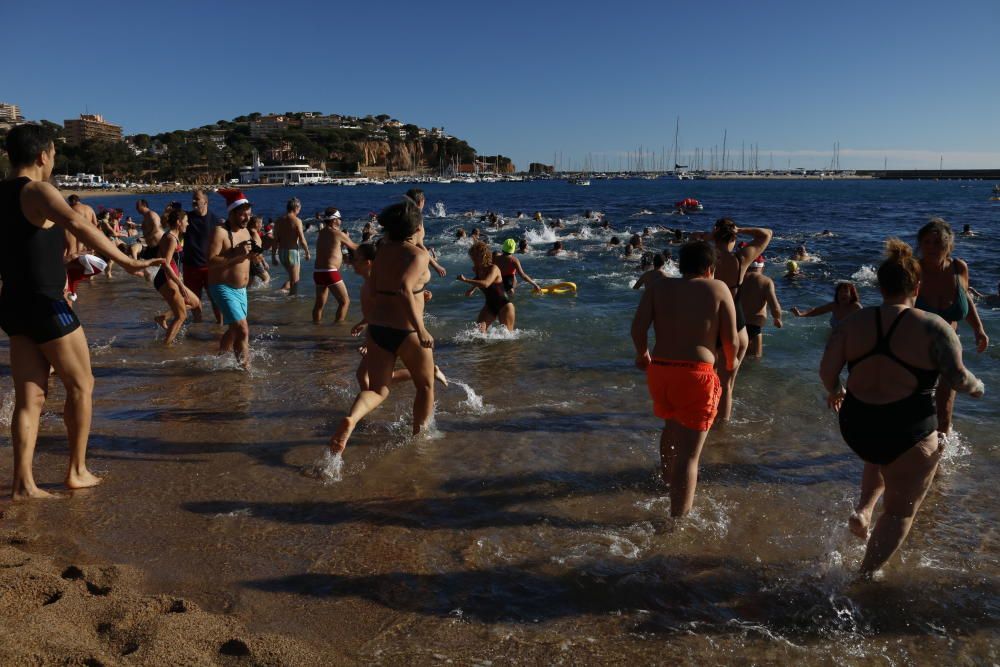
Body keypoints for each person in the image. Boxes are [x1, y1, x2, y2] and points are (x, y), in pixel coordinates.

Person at [0, 124, 162, 499]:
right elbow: (75, 222)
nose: (53, 161)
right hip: (46, 303)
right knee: (81, 385)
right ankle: (76, 470)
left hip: (13, 305)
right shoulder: (37, 190)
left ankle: (23, 483)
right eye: (54, 155)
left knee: (30, 397)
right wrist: (126, 261)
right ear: (43, 155)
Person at [819, 238, 984, 576]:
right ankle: (864, 576)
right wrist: (979, 388)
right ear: (917, 286)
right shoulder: (933, 326)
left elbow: (826, 371)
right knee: (899, 512)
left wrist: (836, 390)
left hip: (858, 426)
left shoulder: (853, 322)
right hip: (908, 430)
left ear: (879, 286)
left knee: (879, 456)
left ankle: (864, 512)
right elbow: (958, 379)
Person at [631, 241, 738, 517]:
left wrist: (643, 355)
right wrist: (730, 361)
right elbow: (731, 339)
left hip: (661, 370)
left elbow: (637, 328)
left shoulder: (658, 287)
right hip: (696, 374)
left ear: (680, 265)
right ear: (710, 268)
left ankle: (666, 479)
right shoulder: (717, 288)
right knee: (690, 456)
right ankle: (678, 520)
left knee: (670, 425)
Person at [330, 199, 436, 454]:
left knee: (378, 389)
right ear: (415, 228)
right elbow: (404, 288)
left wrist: (419, 294)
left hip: (378, 328)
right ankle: (420, 438)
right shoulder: (418, 255)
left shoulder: (384, 250)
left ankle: (352, 419)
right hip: (407, 330)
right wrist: (421, 328)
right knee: (425, 385)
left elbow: (377, 288)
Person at [913, 218, 989, 433]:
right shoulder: (913, 270)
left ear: (948, 245)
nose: (932, 247)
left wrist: (979, 330)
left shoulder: (958, 268)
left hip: (950, 347)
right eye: (927, 242)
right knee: (915, 407)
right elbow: (897, 307)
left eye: (938, 243)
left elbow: (965, 298)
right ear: (920, 244)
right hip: (915, 348)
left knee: (945, 411)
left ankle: (939, 460)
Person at [695, 218, 772, 422]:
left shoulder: (704, 258)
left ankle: (704, 421)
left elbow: (691, 240)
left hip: (708, 323)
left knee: (707, 380)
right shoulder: (741, 259)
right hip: (736, 322)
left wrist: (708, 237)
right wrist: (741, 229)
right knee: (727, 385)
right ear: (734, 236)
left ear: (715, 233)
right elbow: (767, 234)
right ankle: (722, 432)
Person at [349, 243, 447, 390]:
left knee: (367, 376)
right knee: (371, 376)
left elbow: (389, 309)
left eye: (355, 259)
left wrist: (369, 342)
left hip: (386, 334)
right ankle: (429, 371)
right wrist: (364, 323)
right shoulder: (377, 280)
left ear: (368, 262)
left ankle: (368, 405)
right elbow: (382, 309)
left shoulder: (375, 283)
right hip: (382, 333)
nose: (351, 262)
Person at [207, 189, 259, 369]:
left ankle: (220, 357)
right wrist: (236, 254)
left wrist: (253, 256)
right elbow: (211, 261)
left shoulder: (246, 232)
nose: (246, 218)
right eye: (243, 215)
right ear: (232, 213)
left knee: (233, 329)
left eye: (249, 214)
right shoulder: (219, 232)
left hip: (241, 290)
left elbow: (244, 257)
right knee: (242, 329)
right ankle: (245, 369)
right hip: (222, 286)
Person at [152, 208, 202, 344]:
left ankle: (163, 317)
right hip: (167, 278)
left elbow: (159, 257)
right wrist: (179, 283)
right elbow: (166, 264)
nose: (188, 224)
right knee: (181, 316)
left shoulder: (170, 236)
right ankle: (165, 346)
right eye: (186, 221)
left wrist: (178, 278)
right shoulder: (171, 238)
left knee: (195, 303)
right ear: (179, 222)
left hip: (170, 277)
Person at [458, 241, 516, 332]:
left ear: (483, 256)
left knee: (507, 339)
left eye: (474, 257)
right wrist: (472, 289)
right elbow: (478, 278)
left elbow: (486, 283)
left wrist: (466, 280)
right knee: (478, 332)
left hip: (504, 306)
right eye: (472, 257)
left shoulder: (494, 268)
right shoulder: (477, 269)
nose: (472, 259)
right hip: (490, 306)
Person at [184, 189, 223, 323]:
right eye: (193, 199)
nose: (194, 201)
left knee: (216, 301)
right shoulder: (186, 218)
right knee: (194, 302)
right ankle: (197, 330)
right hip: (191, 267)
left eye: (197, 199)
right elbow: (166, 224)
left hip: (210, 268)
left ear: (206, 201)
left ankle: (220, 330)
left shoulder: (215, 220)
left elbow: (223, 242)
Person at [312, 207, 357, 323]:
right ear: (334, 220)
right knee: (345, 302)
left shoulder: (322, 233)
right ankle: (337, 328)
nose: (341, 221)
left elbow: (331, 248)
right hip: (330, 272)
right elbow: (355, 247)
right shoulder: (338, 233)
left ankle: (316, 328)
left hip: (318, 272)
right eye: (339, 218)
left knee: (319, 303)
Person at [739, 257, 782, 357]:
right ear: (762, 268)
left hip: (737, 325)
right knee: (754, 360)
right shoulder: (766, 281)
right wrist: (777, 318)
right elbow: (774, 306)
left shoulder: (738, 278)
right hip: (754, 328)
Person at [405, 189, 447, 277]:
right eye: (424, 200)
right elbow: (418, 243)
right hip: (412, 259)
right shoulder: (416, 218)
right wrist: (436, 265)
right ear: (421, 201)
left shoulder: (404, 215)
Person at [274, 197, 311, 294]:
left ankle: (282, 291)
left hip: (282, 253)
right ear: (296, 208)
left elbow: (275, 240)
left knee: (293, 277)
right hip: (292, 253)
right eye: (300, 208)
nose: (300, 210)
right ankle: (292, 300)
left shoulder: (278, 221)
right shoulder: (297, 221)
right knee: (295, 281)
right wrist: (307, 252)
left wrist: (274, 256)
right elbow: (302, 239)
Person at [792, 281, 862, 330]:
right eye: (840, 291)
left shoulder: (855, 307)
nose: (842, 294)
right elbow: (816, 310)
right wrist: (801, 314)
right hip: (834, 336)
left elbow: (866, 322)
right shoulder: (834, 305)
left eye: (846, 291)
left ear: (852, 295)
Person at [247, 216, 271, 285]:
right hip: (256, 261)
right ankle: (264, 294)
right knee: (267, 278)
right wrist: (264, 262)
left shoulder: (248, 232)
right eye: (261, 223)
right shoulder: (255, 234)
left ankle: (252, 295)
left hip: (250, 261)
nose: (262, 225)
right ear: (256, 224)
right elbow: (257, 250)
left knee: (250, 282)